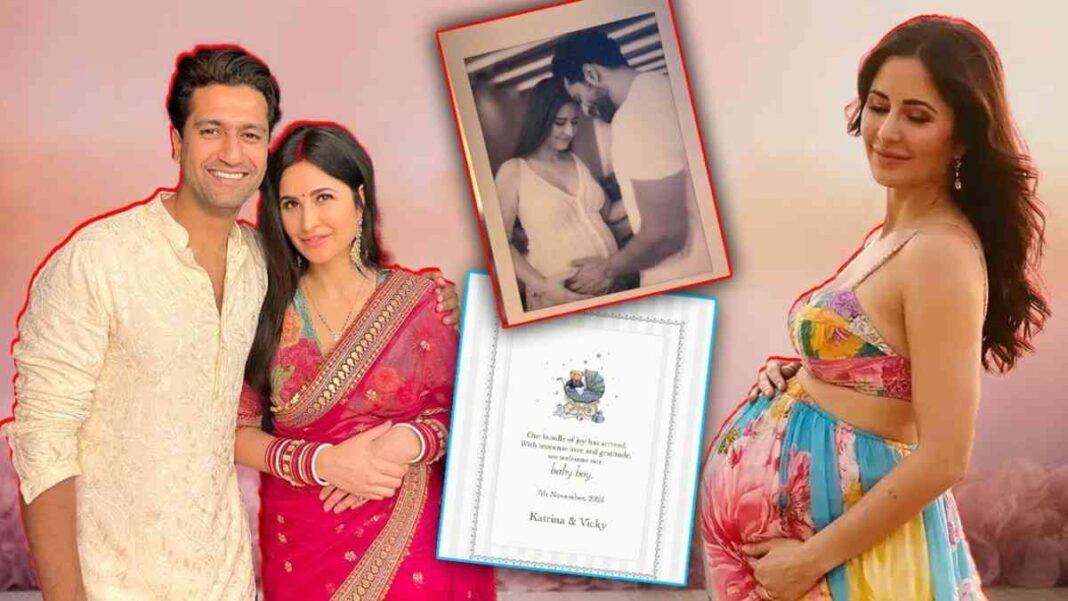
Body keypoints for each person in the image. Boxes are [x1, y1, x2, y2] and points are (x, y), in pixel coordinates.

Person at [1, 46, 458, 600]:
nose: (231, 153)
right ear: (177, 141)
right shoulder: (98, 262)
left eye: (250, 134)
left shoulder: (264, 268)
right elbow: (43, 441)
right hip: (114, 584)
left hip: (226, 582)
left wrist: (442, 302)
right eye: (211, 130)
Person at [699, 16, 1049, 601]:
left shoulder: (940, 253)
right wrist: (807, 375)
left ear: (962, 136)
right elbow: (886, 365)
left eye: (917, 116)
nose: (886, 131)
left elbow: (945, 456)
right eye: (878, 106)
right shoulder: (895, 236)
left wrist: (807, 561)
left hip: (845, 566)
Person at [235, 123, 496, 600]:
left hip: (409, 532)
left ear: (359, 200)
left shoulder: (421, 302)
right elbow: (236, 433)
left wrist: (407, 441)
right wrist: (324, 463)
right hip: (303, 544)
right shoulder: (262, 309)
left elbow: (467, 417)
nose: (308, 222)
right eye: (291, 204)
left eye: (324, 198)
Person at [550, 29, 712, 294]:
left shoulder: (634, 118)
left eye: (580, 98)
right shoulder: (661, 86)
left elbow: (664, 235)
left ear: (591, 74)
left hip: (684, 275)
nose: (586, 111)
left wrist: (607, 269)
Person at [494, 76, 625, 309]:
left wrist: (646, 194)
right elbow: (497, 243)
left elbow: (608, 214)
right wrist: (544, 286)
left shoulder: (576, 161)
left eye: (575, 122)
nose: (569, 131)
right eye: (560, 122)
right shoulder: (514, 171)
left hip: (612, 285)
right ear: (541, 120)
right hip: (558, 297)